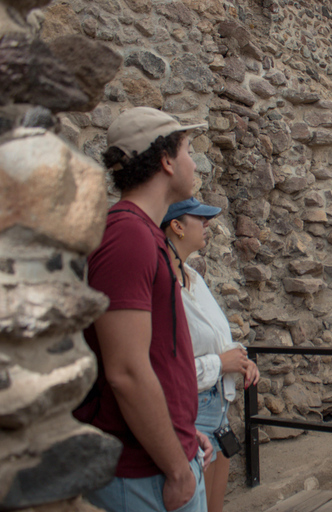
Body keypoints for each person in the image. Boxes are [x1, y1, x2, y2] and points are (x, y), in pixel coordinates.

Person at [76, 107, 212, 512]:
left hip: (160, 458)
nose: (194, 161)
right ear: (167, 161)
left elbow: (157, 358)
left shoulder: (139, 233)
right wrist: (176, 466)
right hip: (142, 474)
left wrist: (182, 434)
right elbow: (126, 372)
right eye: (188, 149)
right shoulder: (128, 236)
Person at [161, 198, 259, 512]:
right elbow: (161, 368)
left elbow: (217, 339)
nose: (207, 226)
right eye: (199, 219)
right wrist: (220, 363)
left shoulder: (194, 278)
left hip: (217, 408)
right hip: (191, 411)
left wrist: (240, 359)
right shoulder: (162, 283)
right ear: (176, 226)